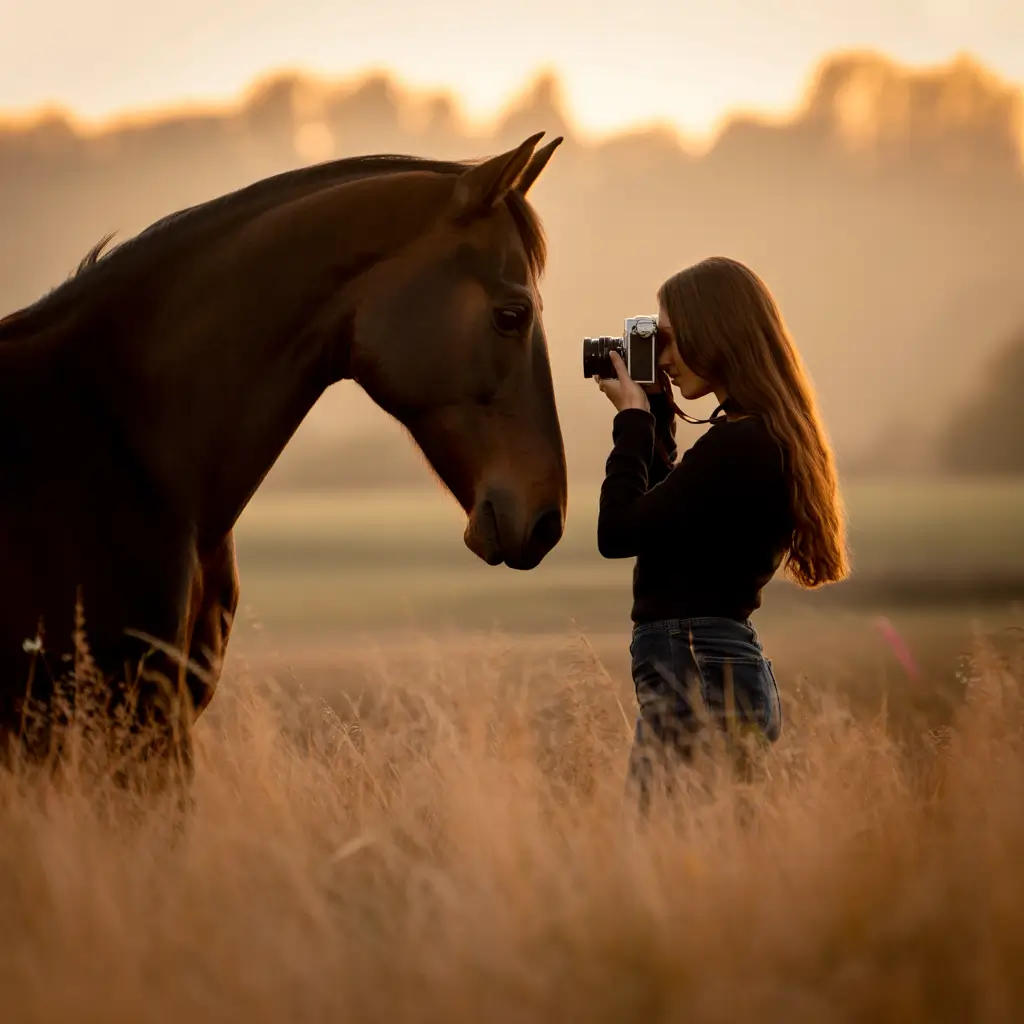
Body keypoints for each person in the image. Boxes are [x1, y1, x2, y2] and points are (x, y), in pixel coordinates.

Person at [593, 256, 849, 812]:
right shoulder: (756, 436)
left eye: (669, 339)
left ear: (714, 332)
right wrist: (657, 415)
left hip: (697, 662)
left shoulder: (739, 444)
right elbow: (664, 520)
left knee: (667, 849)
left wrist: (632, 420)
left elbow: (617, 531)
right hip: (712, 662)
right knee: (701, 853)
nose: (662, 357)